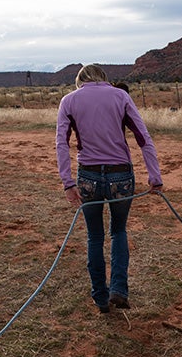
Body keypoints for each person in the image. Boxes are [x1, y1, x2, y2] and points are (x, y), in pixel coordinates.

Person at [56, 64, 163, 314]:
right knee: (118, 231)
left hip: (88, 177)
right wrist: (154, 175)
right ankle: (119, 290)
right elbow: (142, 136)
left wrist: (68, 182)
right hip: (121, 176)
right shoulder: (120, 96)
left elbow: (61, 143)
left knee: (95, 236)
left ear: (80, 81)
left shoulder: (69, 101)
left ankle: (101, 299)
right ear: (104, 78)